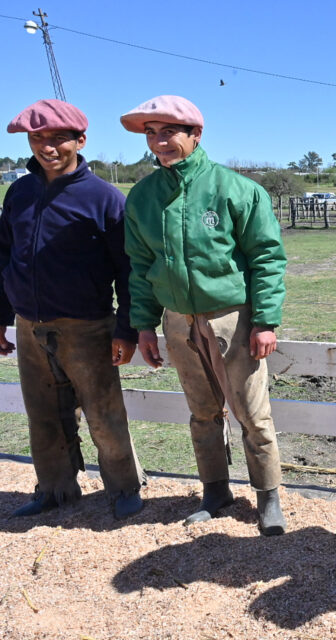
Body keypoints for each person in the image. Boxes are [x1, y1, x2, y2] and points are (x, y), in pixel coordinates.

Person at [119, 95, 287, 536]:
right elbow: (140, 266)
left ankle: (269, 496)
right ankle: (215, 492)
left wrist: (266, 320)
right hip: (178, 319)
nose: (159, 142)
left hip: (231, 316)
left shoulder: (236, 189)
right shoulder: (142, 197)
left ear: (195, 134)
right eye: (151, 134)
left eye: (169, 132)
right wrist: (143, 325)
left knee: (252, 411)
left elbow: (267, 257)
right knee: (201, 411)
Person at [1, 99, 146, 519]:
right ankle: (54, 489)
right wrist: (0, 317)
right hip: (29, 325)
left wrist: (126, 329)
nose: (47, 147)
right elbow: (4, 256)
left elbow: (128, 269)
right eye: (37, 138)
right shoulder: (20, 192)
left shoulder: (104, 198)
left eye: (58, 139)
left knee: (103, 413)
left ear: (80, 141)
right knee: (43, 413)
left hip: (88, 327)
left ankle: (123, 488)